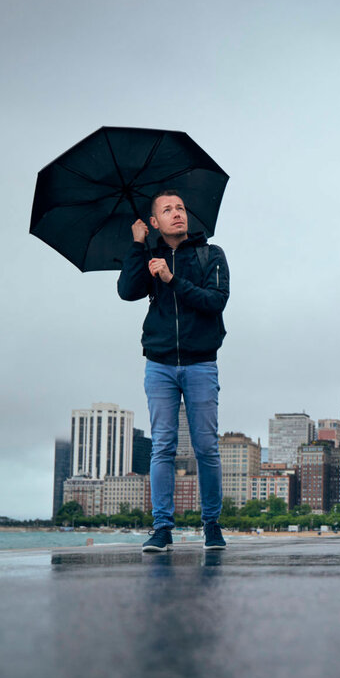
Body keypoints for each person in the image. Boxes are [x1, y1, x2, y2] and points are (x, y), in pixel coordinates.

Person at [117, 190, 230, 552]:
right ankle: (162, 528)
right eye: (167, 210)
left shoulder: (211, 254)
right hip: (160, 365)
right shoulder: (149, 257)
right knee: (162, 447)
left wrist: (171, 279)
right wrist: (138, 245)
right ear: (155, 222)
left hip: (201, 363)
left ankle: (211, 524)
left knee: (206, 448)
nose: (177, 214)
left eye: (180, 207)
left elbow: (215, 301)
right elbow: (126, 291)